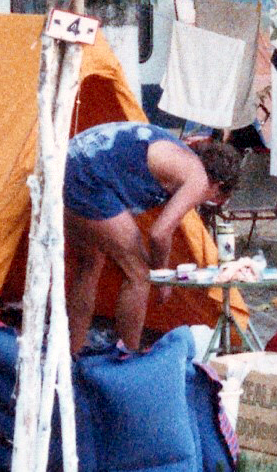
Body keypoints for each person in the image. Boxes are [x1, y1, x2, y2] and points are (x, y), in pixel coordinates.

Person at [63, 122, 241, 355]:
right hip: (91, 177)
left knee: (89, 266)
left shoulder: (179, 155)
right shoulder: (198, 178)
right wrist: (161, 276)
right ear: (218, 187)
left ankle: (69, 354)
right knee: (139, 274)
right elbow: (159, 233)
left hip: (69, 160)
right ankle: (129, 358)